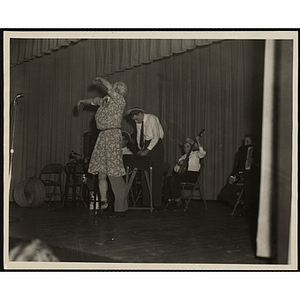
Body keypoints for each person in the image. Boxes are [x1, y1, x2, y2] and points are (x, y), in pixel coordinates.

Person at [77, 77, 128, 217]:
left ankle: (120, 207)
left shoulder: (120, 101)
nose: (112, 91)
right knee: (101, 172)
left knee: (113, 172)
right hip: (102, 137)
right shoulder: (105, 102)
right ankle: (104, 203)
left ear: (118, 92)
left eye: (116, 90)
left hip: (112, 135)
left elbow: (108, 88)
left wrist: (100, 79)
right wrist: (81, 101)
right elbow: (92, 101)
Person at [126, 107, 164, 210]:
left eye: (136, 118)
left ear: (140, 114)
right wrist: (140, 148)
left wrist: (147, 150)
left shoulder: (152, 118)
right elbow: (139, 136)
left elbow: (156, 137)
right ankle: (147, 203)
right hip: (146, 145)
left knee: (155, 174)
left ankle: (156, 204)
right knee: (144, 173)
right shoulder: (139, 122)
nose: (135, 121)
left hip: (155, 145)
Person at [219, 134, 260, 214]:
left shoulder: (257, 151)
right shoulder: (241, 152)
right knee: (224, 192)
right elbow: (236, 167)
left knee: (248, 183)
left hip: (252, 177)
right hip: (241, 177)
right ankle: (241, 204)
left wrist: (254, 162)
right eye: (245, 142)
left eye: (248, 142)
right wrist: (232, 176)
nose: (245, 144)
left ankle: (248, 207)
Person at [164, 136, 206, 210]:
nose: (186, 148)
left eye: (188, 146)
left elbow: (203, 153)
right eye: (184, 147)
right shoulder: (183, 157)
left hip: (192, 175)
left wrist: (198, 142)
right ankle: (170, 200)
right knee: (168, 179)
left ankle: (178, 200)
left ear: (191, 147)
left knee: (175, 178)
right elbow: (175, 170)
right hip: (184, 175)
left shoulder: (196, 154)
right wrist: (179, 164)